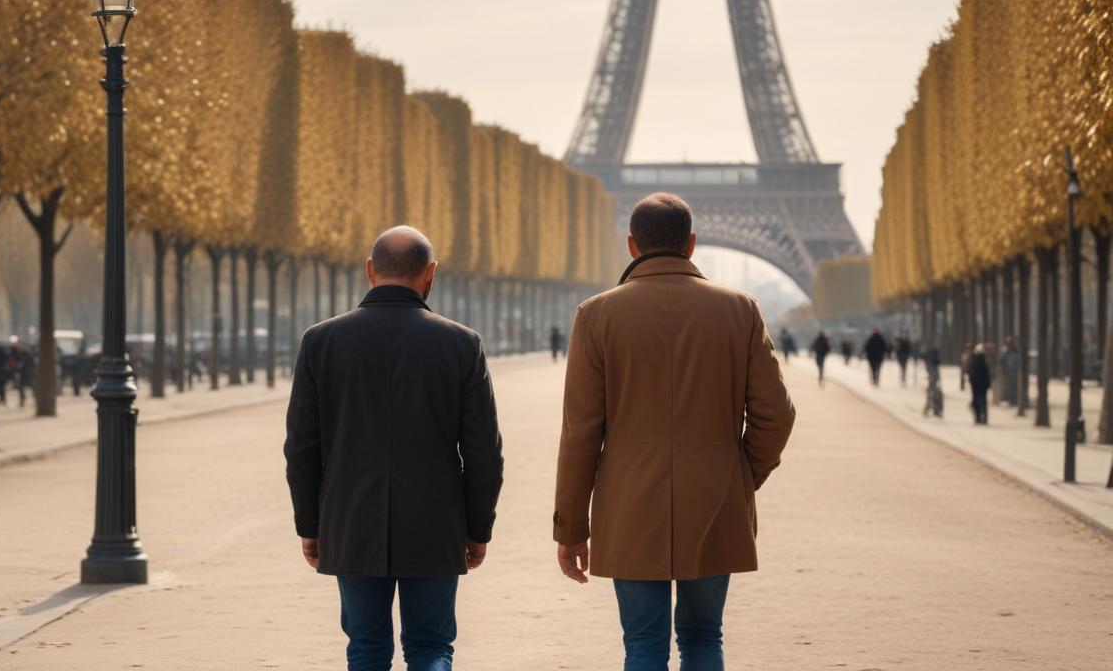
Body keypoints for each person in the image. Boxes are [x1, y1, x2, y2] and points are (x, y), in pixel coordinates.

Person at [554, 193, 796, 670]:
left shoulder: (595, 315)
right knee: (704, 638)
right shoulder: (740, 310)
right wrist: (741, 474)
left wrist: (572, 528)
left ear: (632, 245)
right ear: (691, 244)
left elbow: (580, 433)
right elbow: (776, 415)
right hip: (715, 493)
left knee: (643, 646)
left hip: (629, 501)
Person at [284, 226, 504, 671]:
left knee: (366, 648)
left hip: (351, 520)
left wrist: (311, 524)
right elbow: (483, 452)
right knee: (431, 647)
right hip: (435, 522)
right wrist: (477, 527)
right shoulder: (462, 344)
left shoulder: (320, 342)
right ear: (431, 273)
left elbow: (302, 448)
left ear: (370, 270)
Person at [968, 344, 991, 425]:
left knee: (978, 401)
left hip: (977, 386)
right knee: (981, 401)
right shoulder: (982, 364)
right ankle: (981, 417)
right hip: (980, 386)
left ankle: (979, 417)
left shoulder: (975, 364)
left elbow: (971, 375)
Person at [922, 345, 943, 418]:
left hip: (933, 381)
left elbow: (933, 373)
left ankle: (931, 409)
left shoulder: (929, 360)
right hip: (933, 380)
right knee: (933, 394)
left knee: (932, 394)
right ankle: (935, 409)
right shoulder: (933, 360)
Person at [1000, 337, 1020, 405]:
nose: (1009, 344)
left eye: (1010, 343)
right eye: (1008, 343)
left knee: (1014, 387)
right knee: (1008, 387)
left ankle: (1014, 400)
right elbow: (1002, 361)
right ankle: (1009, 400)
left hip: (1015, 373)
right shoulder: (1004, 352)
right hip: (1007, 373)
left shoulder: (1016, 351)